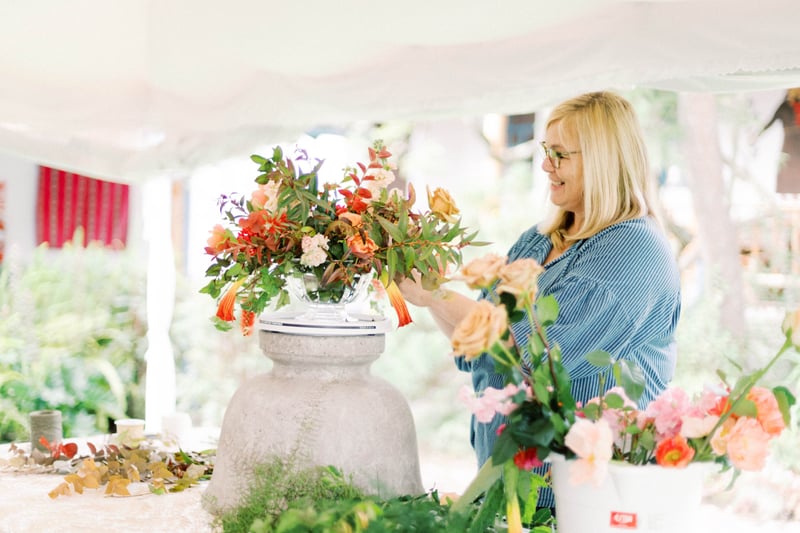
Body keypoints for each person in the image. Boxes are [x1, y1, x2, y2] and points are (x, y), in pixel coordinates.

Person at [398, 91, 681, 511]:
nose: (546, 165)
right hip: (512, 490)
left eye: (560, 154)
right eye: (546, 151)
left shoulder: (633, 250)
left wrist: (436, 294)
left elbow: (537, 355)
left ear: (602, 160)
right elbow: (477, 340)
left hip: (582, 501)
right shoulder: (540, 240)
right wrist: (431, 295)